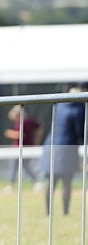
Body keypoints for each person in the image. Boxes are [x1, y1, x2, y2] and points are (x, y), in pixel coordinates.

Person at [37, 83, 87, 216]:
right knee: (67, 182)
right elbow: (81, 131)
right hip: (68, 147)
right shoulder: (79, 108)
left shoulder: (59, 105)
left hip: (51, 146)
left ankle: (48, 214)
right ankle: (65, 213)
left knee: (51, 183)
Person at [3, 104, 41, 191]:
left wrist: (9, 133)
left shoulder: (21, 122)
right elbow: (40, 127)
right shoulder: (29, 120)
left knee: (15, 166)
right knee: (26, 166)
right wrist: (37, 140)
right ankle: (36, 181)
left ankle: (11, 185)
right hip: (28, 147)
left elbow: (21, 135)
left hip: (20, 149)